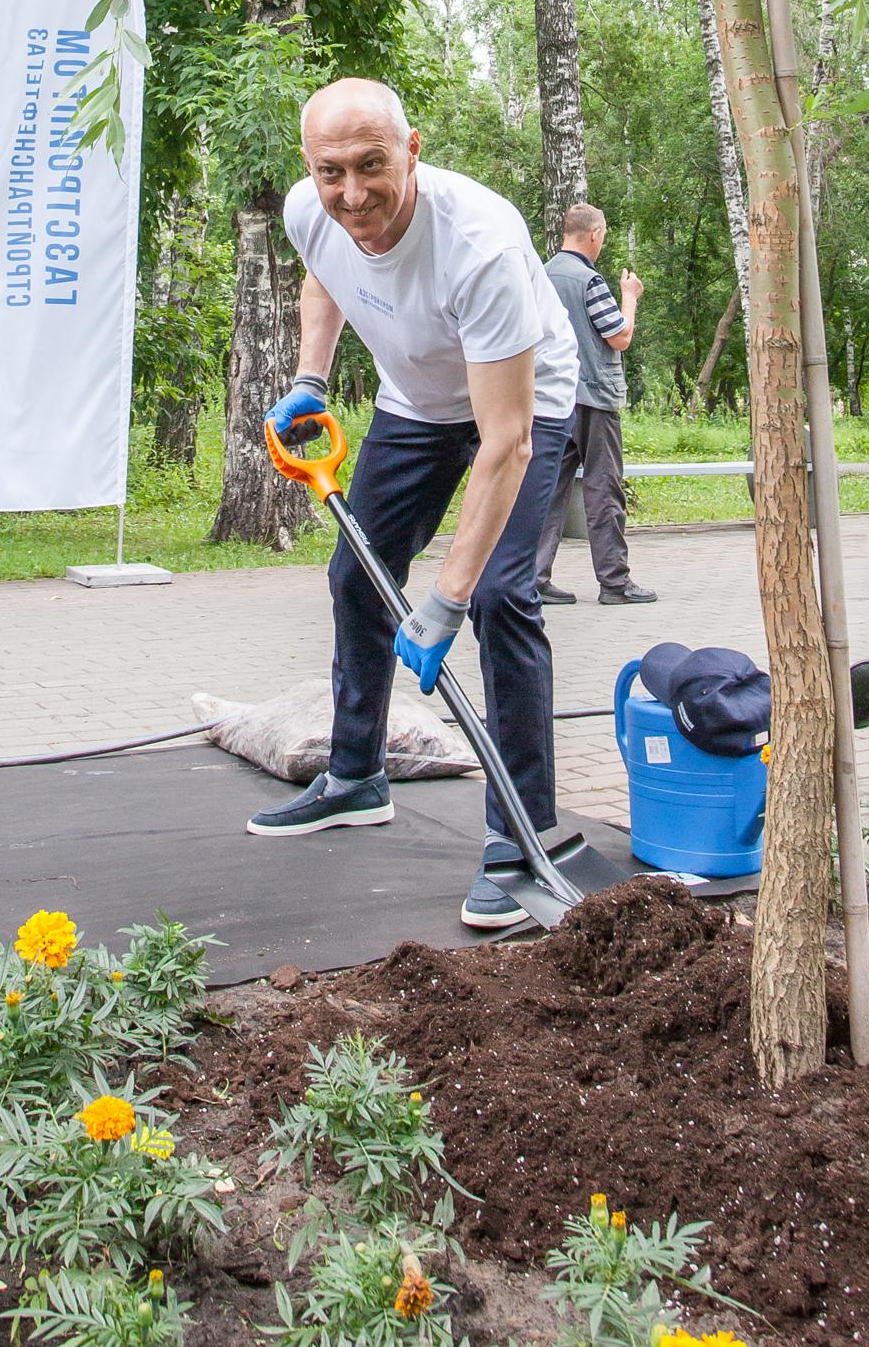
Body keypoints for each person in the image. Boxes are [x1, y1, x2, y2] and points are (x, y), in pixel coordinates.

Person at [248, 77, 580, 931]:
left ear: (412, 149)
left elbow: (503, 444)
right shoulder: (310, 209)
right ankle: (356, 774)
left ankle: (523, 835)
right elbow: (326, 274)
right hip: (415, 400)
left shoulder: (481, 245)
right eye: (332, 172)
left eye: (371, 165)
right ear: (308, 167)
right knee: (357, 578)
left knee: (503, 597)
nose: (352, 194)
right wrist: (309, 379)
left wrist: (446, 600)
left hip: (522, 400)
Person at [535, 203, 657, 606]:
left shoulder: (541, 274)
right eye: (602, 235)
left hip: (551, 400)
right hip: (593, 399)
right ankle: (614, 582)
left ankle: (533, 578)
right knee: (603, 488)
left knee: (549, 491)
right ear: (594, 234)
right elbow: (618, 337)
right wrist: (630, 297)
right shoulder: (589, 281)